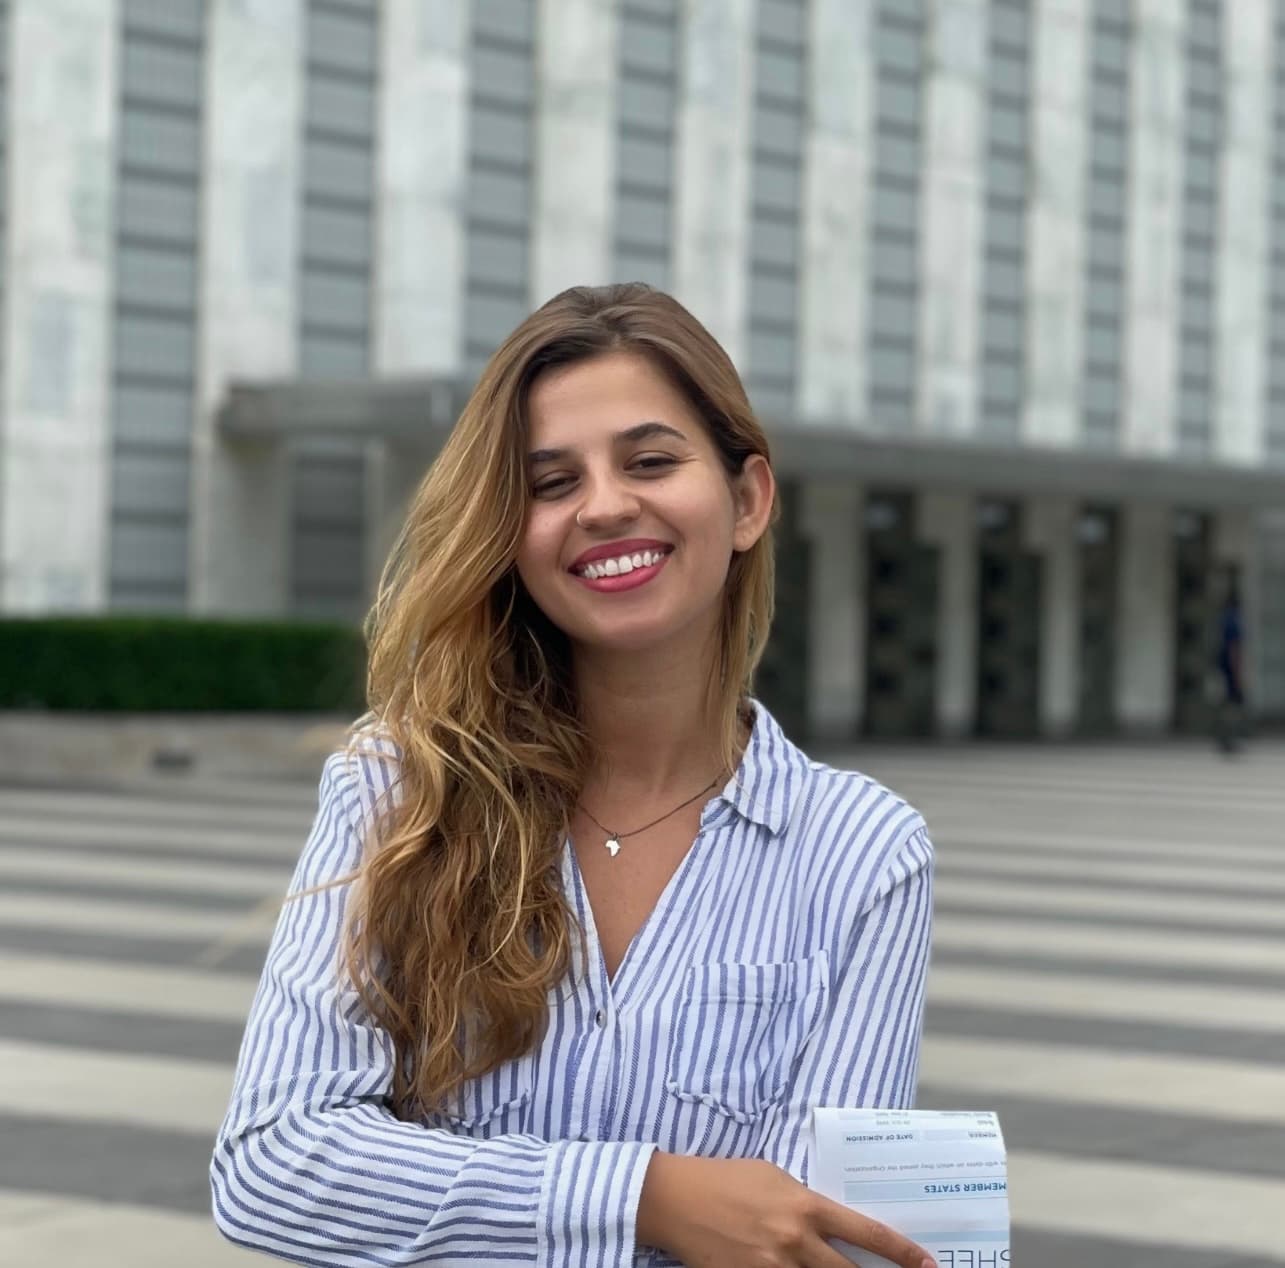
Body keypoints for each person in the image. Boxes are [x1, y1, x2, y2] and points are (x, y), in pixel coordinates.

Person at [210, 283, 937, 1268]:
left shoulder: (865, 851)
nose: (602, 505)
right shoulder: (399, 785)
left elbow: (818, 1241)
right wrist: (644, 1196)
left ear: (748, 499)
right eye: (550, 483)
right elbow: (272, 1163)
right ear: (512, 534)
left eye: (649, 460)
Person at [1214, 574, 1247, 753]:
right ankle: (1230, 738)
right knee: (1233, 705)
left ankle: (1224, 738)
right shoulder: (1235, 619)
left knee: (1226, 703)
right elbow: (1235, 648)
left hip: (1222, 666)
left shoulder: (1223, 618)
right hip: (1230, 669)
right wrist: (1238, 672)